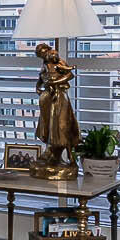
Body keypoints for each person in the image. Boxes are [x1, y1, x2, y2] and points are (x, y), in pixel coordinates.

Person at [33, 41, 79, 172]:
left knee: (62, 125)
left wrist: (55, 81)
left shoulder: (59, 62)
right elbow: (41, 78)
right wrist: (38, 88)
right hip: (47, 97)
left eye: (44, 53)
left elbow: (70, 75)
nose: (44, 56)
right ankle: (52, 153)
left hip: (59, 96)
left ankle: (70, 158)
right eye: (41, 55)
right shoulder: (45, 64)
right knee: (48, 125)